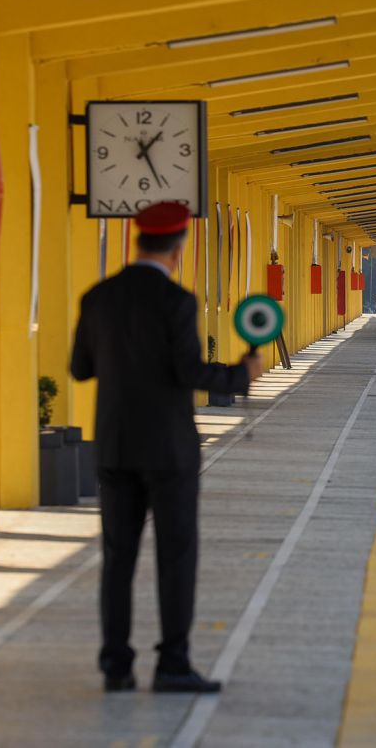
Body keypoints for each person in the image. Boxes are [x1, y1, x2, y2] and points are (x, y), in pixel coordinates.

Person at [71, 201, 265, 694]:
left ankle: (116, 666)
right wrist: (240, 375)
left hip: (114, 448)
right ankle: (172, 664)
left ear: (138, 241)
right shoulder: (177, 302)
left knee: (118, 558)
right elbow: (189, 373)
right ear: (178, 247)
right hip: (168, 451)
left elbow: (80, 368)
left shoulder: (98, 298)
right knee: (175, 556)